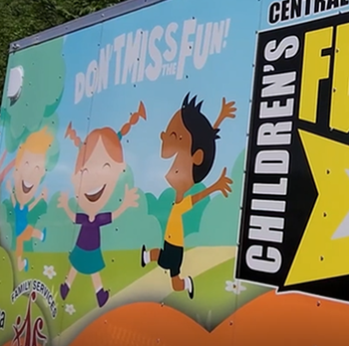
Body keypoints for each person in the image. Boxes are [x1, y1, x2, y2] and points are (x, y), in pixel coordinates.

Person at [141, 94, 235, 299]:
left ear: (196, 158)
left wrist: (215, 186)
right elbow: (204, 139)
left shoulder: (183, 202)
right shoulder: (178, 201)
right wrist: (220, 118)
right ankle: (149, 258)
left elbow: (202, 143)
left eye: (176, 137)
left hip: (175, 246)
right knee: (165, 263)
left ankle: (182, 281)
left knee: (169, 270)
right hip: (171, 243)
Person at [58, 102, 146, 308]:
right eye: (85, 172)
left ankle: (94, 292)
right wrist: (65, 206)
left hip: (89, 247)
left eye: (106, 167)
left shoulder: (96, 218)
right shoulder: (92, 218)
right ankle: (70, 287)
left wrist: (125, 204)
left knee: (88, 269)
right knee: (81, 267)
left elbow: (112, 216)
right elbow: (74, 217)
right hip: (86, 246)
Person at [6, 128, 54, 272]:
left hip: (22, 229)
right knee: (22, 241)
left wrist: (40, 197)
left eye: (37, 168)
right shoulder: (18, 205)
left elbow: (32, 205)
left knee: (25, 237)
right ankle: (22, 262)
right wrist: (9, 190)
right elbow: (14, 200)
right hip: (20, 230)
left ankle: (39, 236)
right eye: (26, 164)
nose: (31, 172)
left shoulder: (23, 207)